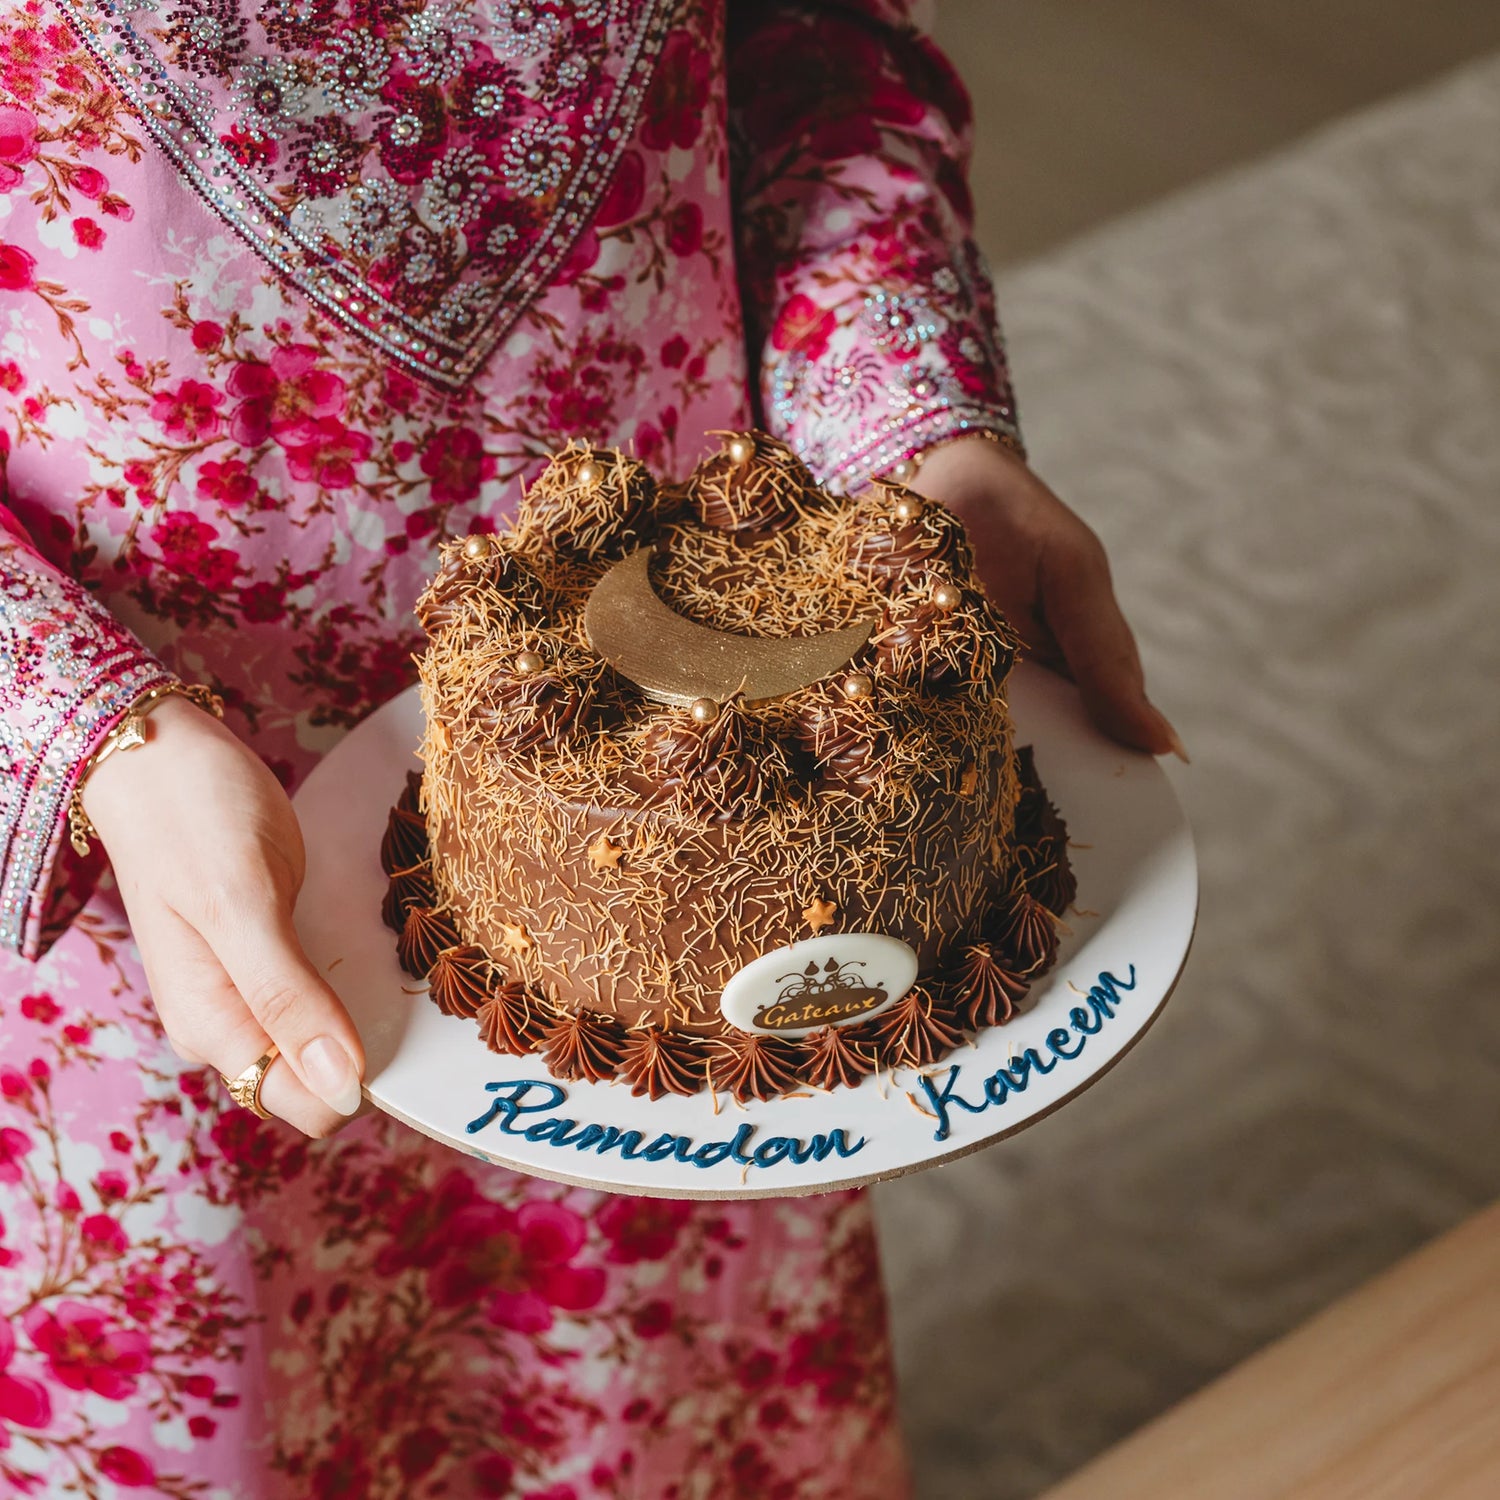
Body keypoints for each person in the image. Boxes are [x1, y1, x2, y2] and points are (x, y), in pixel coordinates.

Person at [0, 1, 1182, 1493]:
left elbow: (819, 50)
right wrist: (75, 725)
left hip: (725, 785)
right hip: (154, 826)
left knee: (659, 1370)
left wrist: (909, 424)